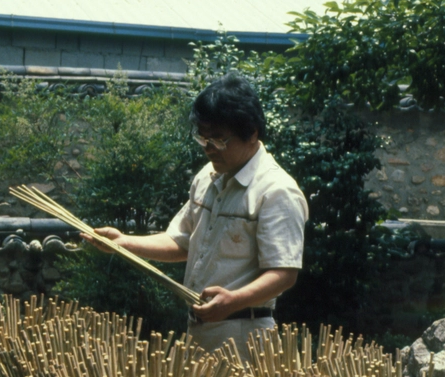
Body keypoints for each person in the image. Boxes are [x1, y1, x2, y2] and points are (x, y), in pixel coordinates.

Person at [83, 72, 307, 355]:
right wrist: (122, 242)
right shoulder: (208, 177)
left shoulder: (277, 191)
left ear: (251, 133)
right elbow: (181, 242)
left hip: (244, 335)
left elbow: (284, 273)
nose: (209, 149)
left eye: (219, 140)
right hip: (200, 330)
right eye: (203, 139)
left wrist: (234, 300)